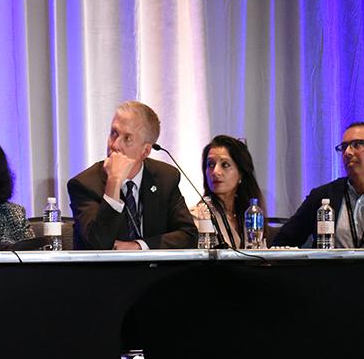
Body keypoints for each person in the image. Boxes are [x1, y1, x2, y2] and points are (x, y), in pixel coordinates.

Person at [67, 101, 197, 250]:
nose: (115, 145)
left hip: (155, 266)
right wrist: (114, 182)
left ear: (145, 151)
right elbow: (97, 244)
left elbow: (189, 236)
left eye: (127, 138)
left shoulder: (165, 178)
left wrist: (139, 246)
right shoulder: (84, 184)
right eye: (114, 133)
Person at [195, 135, 265, 249]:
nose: (215, 172)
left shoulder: (249, 212)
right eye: (210, 165)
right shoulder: (199, 215)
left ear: (241, 173)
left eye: (225, 165)